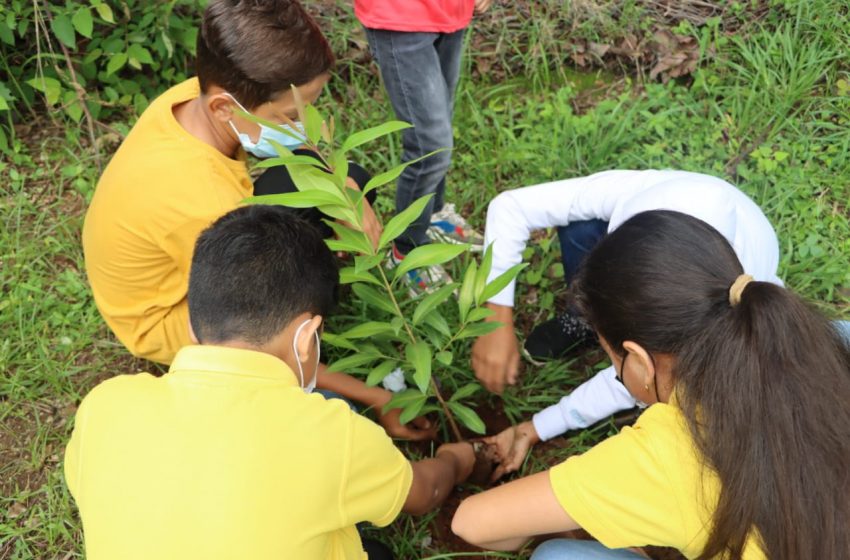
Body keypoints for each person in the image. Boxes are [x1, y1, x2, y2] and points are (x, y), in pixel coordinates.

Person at [81, 0, 423, 437]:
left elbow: (312, 158)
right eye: (293, 117)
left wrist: (350, 191)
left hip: (194, 239)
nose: (307, 128)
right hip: (171, 317)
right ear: (226, 108)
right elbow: (258, 332)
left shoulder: (196, 98)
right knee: (319, 416)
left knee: (348, 179)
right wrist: (377, 395)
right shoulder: (202, 202)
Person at [66, 205, 475, 560]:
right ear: (306, 336)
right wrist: (462, 458)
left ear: (192, 321)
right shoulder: (333, 436)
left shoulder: (105, 405)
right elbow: (426, 494)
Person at [452, 210, 850, 559]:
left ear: (639, 361)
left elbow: (472, 523)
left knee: (559, 556)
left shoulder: (669, 455)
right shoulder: (828, 342)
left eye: (613, 362)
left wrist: (575, 507)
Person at [471, 170, 787, 473]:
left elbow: (635, 383)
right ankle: (583, 323)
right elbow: (510, 207)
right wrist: (496, 316)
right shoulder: (641, 197)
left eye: (616, 355)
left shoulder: (719, 337)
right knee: (582, 226)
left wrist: (540, 425)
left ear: (642, 358)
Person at [354, 0, 490, 292]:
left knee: (441, 120)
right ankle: (408, 249)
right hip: (399, 15)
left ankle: (434, 213)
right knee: (430, 146)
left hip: (452, 12)